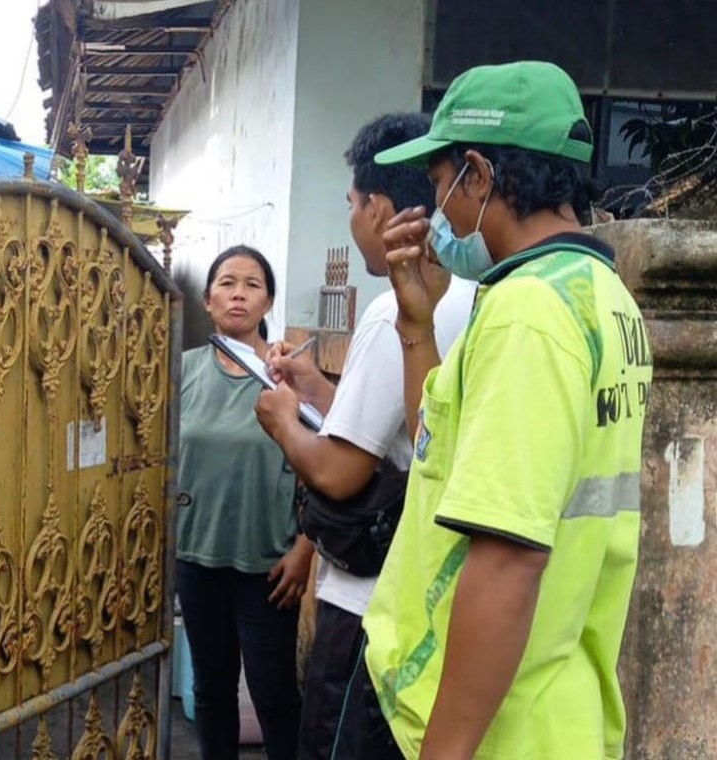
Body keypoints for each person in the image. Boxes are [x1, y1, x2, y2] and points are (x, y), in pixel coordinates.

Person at [361, 61, 652, 759]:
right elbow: (441, 450)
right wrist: (417, 324)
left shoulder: (529, 314)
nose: (437, 213)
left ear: (479, 176)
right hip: (555, 705)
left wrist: (445, 751)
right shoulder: (600, 295)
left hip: (499, 729)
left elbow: (508, 559)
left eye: (440, 184)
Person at [254, 114, 476, 760]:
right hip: (433, 600)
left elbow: (340, 470)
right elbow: (413, 431)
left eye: (352, 204)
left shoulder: (394, 313)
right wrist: (319, 394)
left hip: (367, 605)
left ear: (377, 207)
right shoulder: (472, 294)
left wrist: (283, 421)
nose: (353, 220)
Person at [178, 245, 313, 760]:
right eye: (227, 283)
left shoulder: (285, 375)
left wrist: (304, 549)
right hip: (197, 556)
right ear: (208, 300)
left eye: (252, 284)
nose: (238, 294)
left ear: (268, 301)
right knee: (212, 691)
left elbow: (321, 467)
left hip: (269, 567)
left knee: (274, 694)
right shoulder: (183, 371)